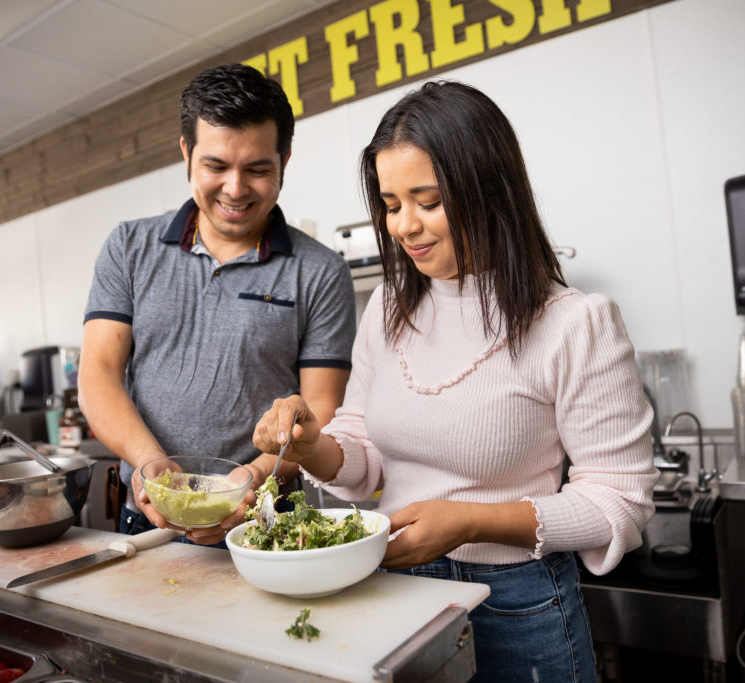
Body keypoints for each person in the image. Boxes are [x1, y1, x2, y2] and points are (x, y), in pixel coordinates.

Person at [253, 81, 657, 681]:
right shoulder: (387, 308)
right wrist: (313, 446)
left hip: (520, 602)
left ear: (489, 190)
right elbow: (363, 453)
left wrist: (469, 521)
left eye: (429, 200)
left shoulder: (575, 322)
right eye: (391, 205)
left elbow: (618, 502)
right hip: (393, 589)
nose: (405, 227)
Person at [79, 63, 356, 545]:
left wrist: (247, 483)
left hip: (270, 516)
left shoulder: (321, 271)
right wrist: (150, 465)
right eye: (216, 166)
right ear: (186, 153)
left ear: (284, 161)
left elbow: (320, 408)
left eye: (257, 169)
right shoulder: (128, 247)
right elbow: (98, 373)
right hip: (148, 517)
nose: (235, 188)